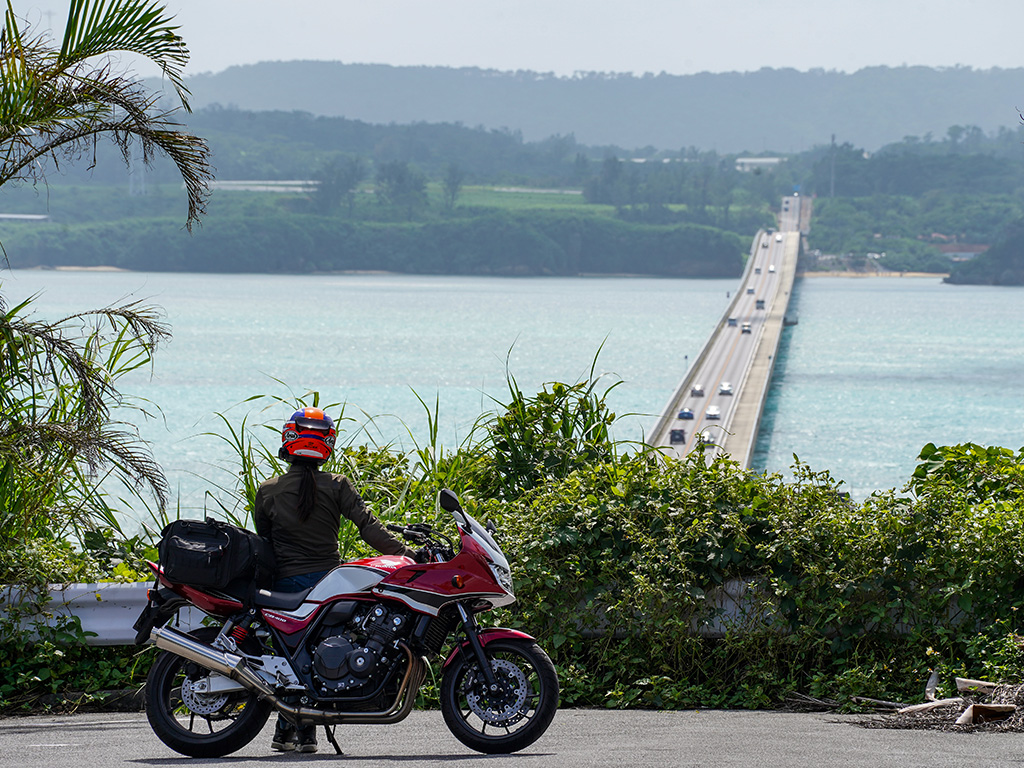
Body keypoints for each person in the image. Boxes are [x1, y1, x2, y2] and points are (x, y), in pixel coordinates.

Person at [254, 406, 419, 754]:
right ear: (327, 445)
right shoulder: (338, 484)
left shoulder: (268, 490)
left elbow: (264, 544)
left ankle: (287, 732)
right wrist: (406, 555)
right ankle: (307, 731)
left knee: (292, 656)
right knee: (318, 655)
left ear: (289, 439)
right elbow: (369, 527)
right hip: (330, 584)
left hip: (285, 585)